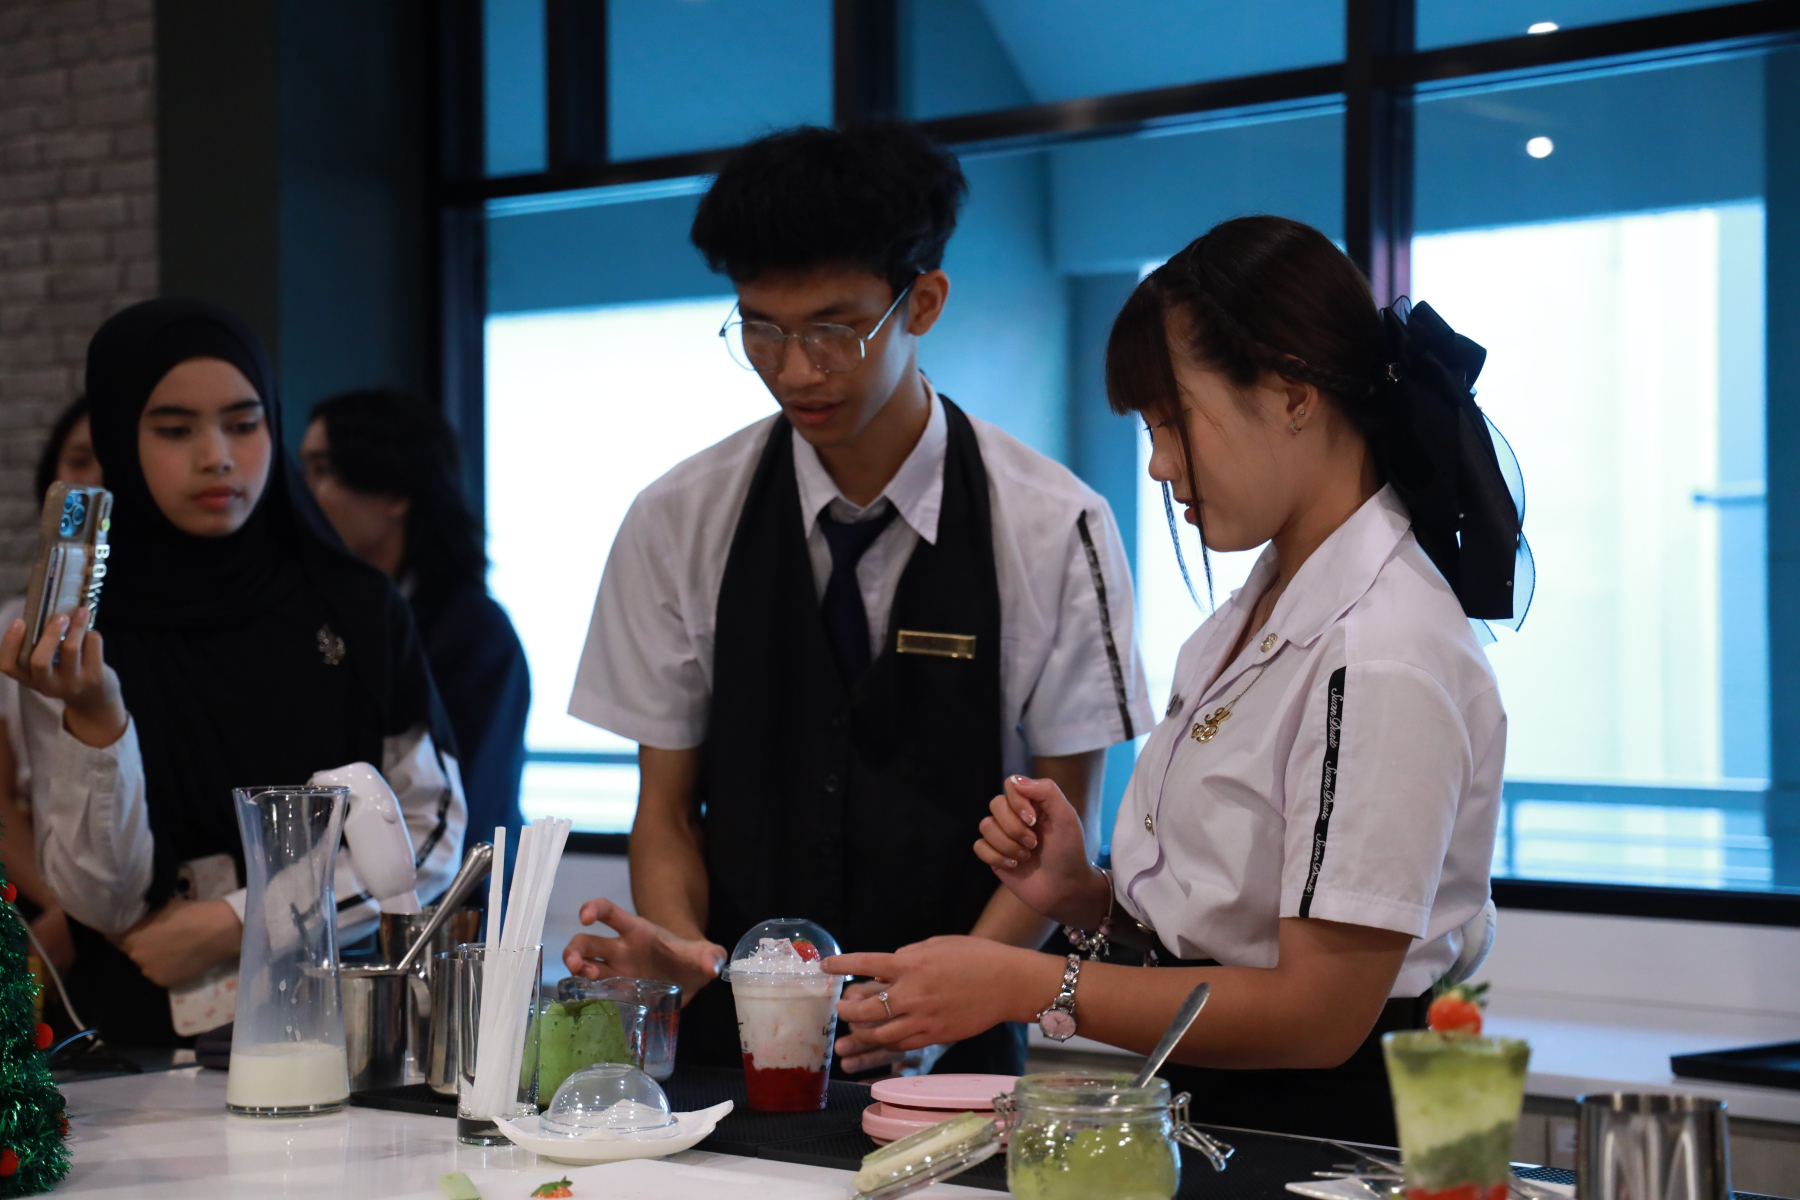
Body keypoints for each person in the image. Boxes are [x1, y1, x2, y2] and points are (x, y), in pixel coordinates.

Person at [809, 216, 1523, 1143]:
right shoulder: (1257, 611)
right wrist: (1086, 898)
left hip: (1334, 1135)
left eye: (1170, 420)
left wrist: (1029, 984)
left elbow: (1319, 1013)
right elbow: (1231, 936)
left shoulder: (1380, 648)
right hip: (1227, 1111)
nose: (1158, 462)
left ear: (1292, 394)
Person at [560, 122, 1153, 1077]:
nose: (796, 369)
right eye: (761, 328)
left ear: (923, 303)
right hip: (732, 1045)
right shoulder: (677, 518)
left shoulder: (1056, 526)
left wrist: (947, 1002)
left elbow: (1060, 833)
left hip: (958, 1059)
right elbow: (664, 808)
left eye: (834, 330)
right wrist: (685, 950)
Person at [2, 298, 466, 1045]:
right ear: (120, 437)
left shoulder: (355, 606)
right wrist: (97, 717)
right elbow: (102, 902)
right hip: (136, 1050)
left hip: (337, 1030)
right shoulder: (82, 633)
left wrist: (241, 920)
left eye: (244, 424)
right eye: (174, 429)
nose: (217, 455)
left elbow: (430, 831)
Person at [301, 388, 529, 875]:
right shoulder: (316, 617)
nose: (305, 495)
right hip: (329, 895)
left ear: (394, 494)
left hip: (448, 905)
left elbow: (464, 815)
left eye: (323, 471)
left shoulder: (475, 634)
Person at [0, 397, 104, 985]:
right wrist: (65, 906)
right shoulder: (12, 623)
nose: (95, 480)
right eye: (80, 460)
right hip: (40, 892)